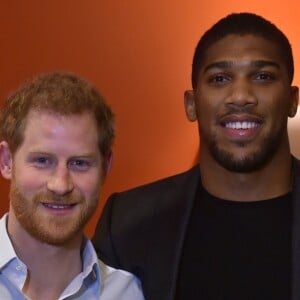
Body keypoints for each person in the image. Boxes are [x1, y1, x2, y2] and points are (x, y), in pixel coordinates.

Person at [92, 12, 300, 300]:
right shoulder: (128, 224)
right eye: (220, 78)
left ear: (292, 100)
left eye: (263, 76)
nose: (240, 95)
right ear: (191, 104)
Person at [0, 72, 144, 299]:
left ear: (105, 168)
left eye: (79, 163)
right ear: (6, 161)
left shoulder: (128, 293)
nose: (60, 185)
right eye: (42, 161)